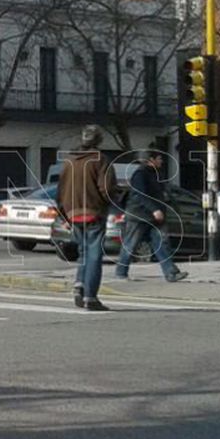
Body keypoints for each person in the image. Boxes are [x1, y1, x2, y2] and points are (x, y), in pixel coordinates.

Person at [57, 125, 118, 311]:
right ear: (98, 141)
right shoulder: (100, 160)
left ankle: (79, 285)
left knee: (83, 253)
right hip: (93, 212)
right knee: (94, 255)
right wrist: (113, 201)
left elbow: (60, 191)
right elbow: (106, 189)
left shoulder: (69, 161)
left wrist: (64, 215)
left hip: (73, 213)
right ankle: (91, 297)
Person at [115, 150, 188, 283]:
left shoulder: (156, 174)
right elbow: (142, 195)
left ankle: (171, 273)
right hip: (138, 215)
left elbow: (162, 193)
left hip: (155, 216)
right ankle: (121, 272)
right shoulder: (140, 174)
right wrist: (155, 209)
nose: (161, 161)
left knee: (161, 244)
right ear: (151, 160)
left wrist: (170, 207)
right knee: (131, 244)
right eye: (159, 158)